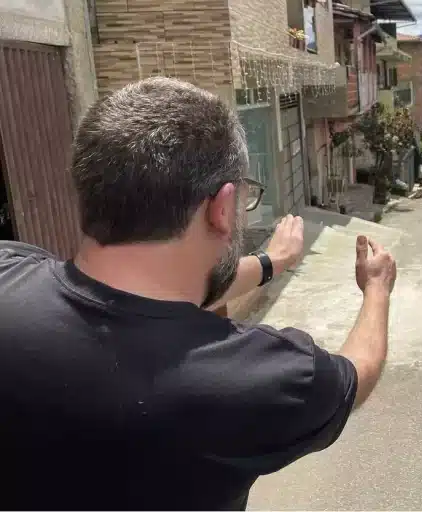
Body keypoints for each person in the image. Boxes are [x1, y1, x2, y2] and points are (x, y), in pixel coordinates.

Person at [0, 77, 397, 510]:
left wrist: (272, 262)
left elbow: (154, 294)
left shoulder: (9, 271)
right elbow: (357, 374)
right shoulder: (255, 377)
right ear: (221, 207)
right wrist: (376, 288)